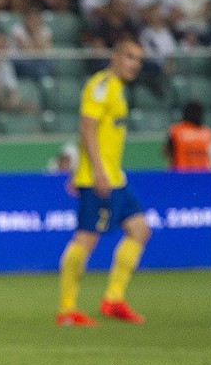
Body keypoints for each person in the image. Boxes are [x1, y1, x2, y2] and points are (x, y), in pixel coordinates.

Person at [56, 38, 150, 327]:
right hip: (101, 178)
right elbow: (86, 127)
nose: (134, 64)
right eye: (130, 57)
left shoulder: (118, 89)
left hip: (115, 178)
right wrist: (93, 172)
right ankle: (67, 310)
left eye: (138, 60)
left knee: (140, 231)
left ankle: (113, 300)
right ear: (116, 57)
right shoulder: (101, 85)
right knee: (86, 239)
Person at [163, 101, 211, 172]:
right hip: (203, 175)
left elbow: (166, 152)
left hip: (181, 175)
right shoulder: (207, 132)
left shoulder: (176, 130)